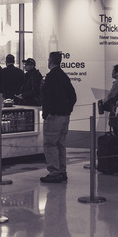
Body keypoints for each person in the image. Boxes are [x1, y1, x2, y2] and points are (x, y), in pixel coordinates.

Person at [40, 51, 77, 183]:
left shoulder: (51, 76)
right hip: (64, 115)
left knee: (50, 144)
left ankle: (54, 172)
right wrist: (68, 109)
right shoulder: (63, 76)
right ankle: (62, 171)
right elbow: (73, 96)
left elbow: (50, 97)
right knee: (61, 144)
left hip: (54, 116)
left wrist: (48, 113)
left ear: (51, 60)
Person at [99, 65, 118, 136]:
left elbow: (111, 95)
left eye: (113, 71)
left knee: (117, 132)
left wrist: (102, 101)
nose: (111, 73)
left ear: (117, 73)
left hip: (117, 111)